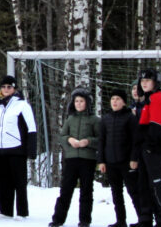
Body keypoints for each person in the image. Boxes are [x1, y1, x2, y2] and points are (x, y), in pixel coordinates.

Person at [0, 75, 37, 219]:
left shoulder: (22, 105)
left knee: (19, 181)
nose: (6, 89)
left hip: (16, 148)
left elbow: (31, 128)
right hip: (0, 149)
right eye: (3, 87)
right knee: (2, 181)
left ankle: (22, 211)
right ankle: (5, 210)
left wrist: (31, 150)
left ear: (14, 88)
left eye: (9, 87)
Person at [49, 88, 100, 227]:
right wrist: (69, 140)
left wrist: (88, 142)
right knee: (65, 189)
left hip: (88, 159)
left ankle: (84, 220)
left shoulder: (95, 120)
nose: (78, 103)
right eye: (76, 101)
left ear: (87, 103)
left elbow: (100, 139)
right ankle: (58, 219)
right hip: (71, 159)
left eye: (81, 101)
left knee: (86, 191)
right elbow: (62, 136)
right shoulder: (70, 119)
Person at [130, 69, 161, 227]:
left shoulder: (158, 98)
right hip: (146, 150)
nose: (144, 83)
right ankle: (146, 218)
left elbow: (157, 126)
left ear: (155, 82)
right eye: (142, 81)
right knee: (144, 185)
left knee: (156, 185)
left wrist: (149, 146)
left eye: (148, 80)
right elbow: (142, 129)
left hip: (154, 150)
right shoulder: (148, 100)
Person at [97, 89, 140, 227]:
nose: (114, 101)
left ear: (124, 102)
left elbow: (136, 140)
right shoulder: (106, 118)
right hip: (111, 162)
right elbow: (101, 141)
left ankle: (143, 219)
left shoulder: (130, 117)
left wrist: (134, 158)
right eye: (112, 99)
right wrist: (101, 161)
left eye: (118, 99)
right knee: (116, 193)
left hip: (127, 162)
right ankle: (121, 221)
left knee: (134, 192)